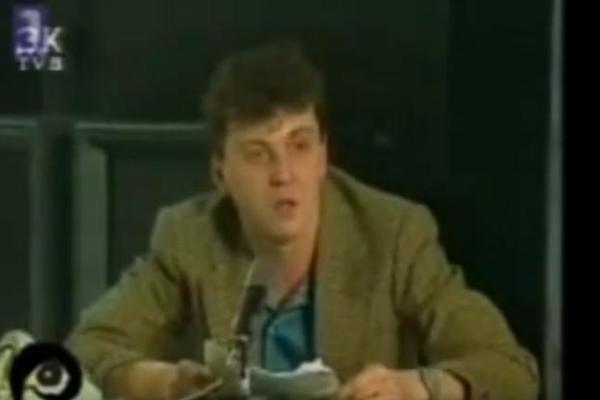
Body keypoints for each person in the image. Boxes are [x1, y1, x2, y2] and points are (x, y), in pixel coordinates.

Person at [65, 41, 539, 400]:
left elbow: (510, 369)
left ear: (323, 155)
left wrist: (417, 387)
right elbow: (88, 347)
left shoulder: (393, 234)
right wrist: (163, 383)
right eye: (258, 154)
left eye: (300, 145)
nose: (284, 174)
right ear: (220, 173)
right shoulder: (189, 235)